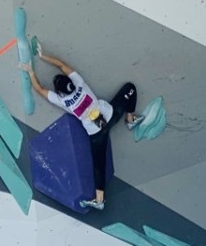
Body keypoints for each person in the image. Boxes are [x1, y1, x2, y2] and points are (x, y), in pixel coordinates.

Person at [24, 46, 142, 211]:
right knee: (130, 88)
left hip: (97, 135)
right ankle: (130, 119)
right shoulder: (80, 84)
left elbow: (40, 89)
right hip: (111, 116)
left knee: (99, 165)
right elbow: (62, 65)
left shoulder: (64, 102)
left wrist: (30, 71)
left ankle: (99, 200)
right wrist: (43, 56)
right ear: (71, 83)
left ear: (61, 93)